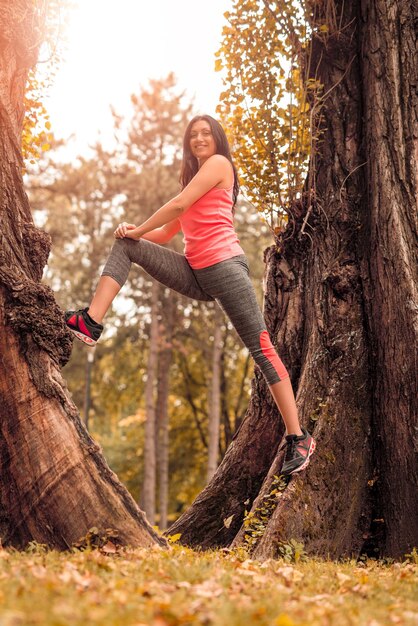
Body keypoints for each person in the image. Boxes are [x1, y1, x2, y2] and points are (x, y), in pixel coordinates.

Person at [65, 114, 316, 476]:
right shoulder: (192, 178)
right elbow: (168, 234)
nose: (199, 138)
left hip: (227, 270)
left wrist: (139, 227)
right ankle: (91, 322)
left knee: (262, 348)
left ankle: (298, 437)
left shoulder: (218, 164)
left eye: (206, 133)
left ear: (217, 140)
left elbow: (179, 206)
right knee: (126, 246)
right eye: (193, 134)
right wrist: (132, 232)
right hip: (196, 273)